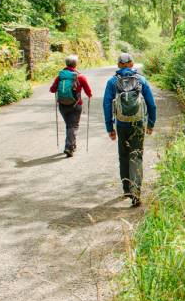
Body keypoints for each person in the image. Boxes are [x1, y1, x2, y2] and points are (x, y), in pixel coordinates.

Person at [103, 52, 157, 205]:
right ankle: (136, 192)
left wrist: (110, 127)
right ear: (132, 64)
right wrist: (150, 123)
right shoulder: (141, 80)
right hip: (138, 123)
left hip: (121, 124)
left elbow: (107, 105)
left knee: (124, 155)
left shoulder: (112, 82)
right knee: (136, 156)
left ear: (119, 65)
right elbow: (151, 104)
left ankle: (126, 188)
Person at [49, 55, 92, 158]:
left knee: (69, 125)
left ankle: (72, 145)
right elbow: (88, 91)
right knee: (73, 126)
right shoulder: (80, 77)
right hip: (75, 105)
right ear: (75, 64)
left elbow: (52, 89)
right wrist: (90, 95)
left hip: (63, 105)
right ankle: (69, 147)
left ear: (66, 63)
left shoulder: (60, 76)